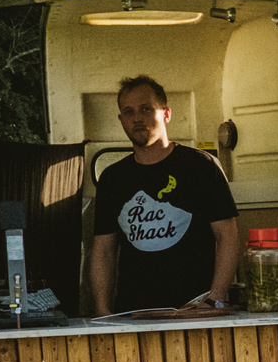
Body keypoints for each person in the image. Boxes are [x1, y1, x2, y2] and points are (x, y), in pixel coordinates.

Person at [87, 75, 240, 314]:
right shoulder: (113, 179)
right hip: (133, 315)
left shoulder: (201, 166)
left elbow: (227, 236)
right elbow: (103, 251)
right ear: (121, 120)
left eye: (146, 109)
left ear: (166, 114)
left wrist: (215, 299)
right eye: (128, 112)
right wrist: (103, 311)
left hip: (194, 313)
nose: (137, 118)